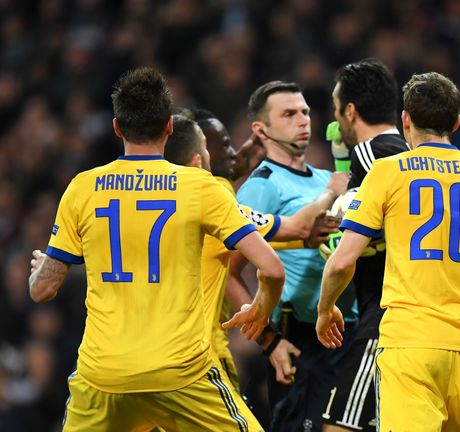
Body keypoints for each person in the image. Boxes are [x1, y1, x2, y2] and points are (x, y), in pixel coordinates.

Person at [28, 67, 283, 432]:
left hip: (103, 377)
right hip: (181, 374)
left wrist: (43, 266)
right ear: (168, 126)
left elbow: (42, 290)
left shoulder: (82, 188)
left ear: (117, 127)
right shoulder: (200, 187)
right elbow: (271, 269)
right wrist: (260, 308)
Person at [316, 72, 460, 431]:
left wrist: (325, 309)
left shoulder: (387, 172)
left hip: (409, 343)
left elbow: (342, 262)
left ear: (405, 120)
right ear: (456, 123)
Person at [164, 110, 348, 395]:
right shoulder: (215, 197)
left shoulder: (149, 202)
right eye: (223, 146)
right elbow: (291, 238)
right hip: (201, 360)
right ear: (198, 160)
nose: (234, 153)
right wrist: (331, 191)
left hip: (144, 358)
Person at [236, 81, 357, 432]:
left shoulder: (325, 178)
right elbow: (229, 271)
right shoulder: (263, 185)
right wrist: (268, 341)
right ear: (261, 130)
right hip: (303, 339)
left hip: (350, 332)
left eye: (304, 111)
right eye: (289, 114)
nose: (302, 120)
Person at [320, 58, 410, 432]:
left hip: (386, 318)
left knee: (340, 426)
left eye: (336, 108)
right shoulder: (408, 151)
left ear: (350, 111)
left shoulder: (376, 156)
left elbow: (350, 246)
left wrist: (342, 215)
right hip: (419, 320)